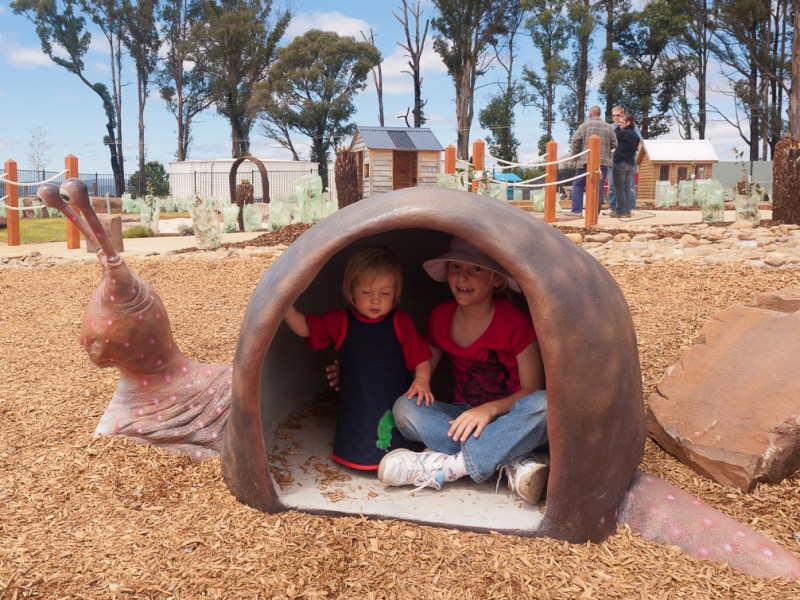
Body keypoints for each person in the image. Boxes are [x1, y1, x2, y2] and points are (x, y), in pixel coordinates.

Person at [376, 237, 550, 505]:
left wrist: (488, 410)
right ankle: (511, 458)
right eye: (456, 267)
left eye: (476, 269)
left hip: (509, 416)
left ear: (498, 280)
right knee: (405, 408)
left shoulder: (515, 323)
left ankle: (448, 467)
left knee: (545, 405)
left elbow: (532, 389)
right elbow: (423, 366)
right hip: (461, 419)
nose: (463, 276)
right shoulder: (440, 316)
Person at [284, 246, 433, 471]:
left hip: (392, 397)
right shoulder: (341, 321)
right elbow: (306, 327)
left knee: (392, 426)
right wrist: (283, 305)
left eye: (384, 293)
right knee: (360, 427)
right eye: (366, 292)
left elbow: (420, 355)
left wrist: (422, 379)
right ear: (352, 291)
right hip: (358, 399)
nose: (375, 301)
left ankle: (400, 463)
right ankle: (360, 458)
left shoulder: (400, 322)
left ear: (396, 294)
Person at [567, 105, 617, 218]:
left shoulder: (584, 126)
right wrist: (606, 151)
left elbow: (575, 142)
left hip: (585, 161)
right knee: (598, 187)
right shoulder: (608, 127)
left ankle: (576, 211)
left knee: (578, 185)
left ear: (590, 114)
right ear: (599, 114)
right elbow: (615, 143)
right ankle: (595, 213)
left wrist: (575, 156)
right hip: (602, 163)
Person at [607, 105, 644, 214]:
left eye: (618, 115)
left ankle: (631, 208)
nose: (615, 118)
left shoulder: (631, 127)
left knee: (629, 185)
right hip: (613, 159)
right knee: (612, 185)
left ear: (623, 115)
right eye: (613, 116)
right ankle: (612, 207)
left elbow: (639, 140)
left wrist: (633, 152)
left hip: (627, 159)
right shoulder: (610, 127)